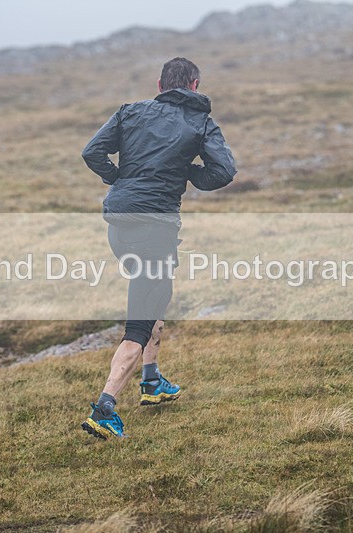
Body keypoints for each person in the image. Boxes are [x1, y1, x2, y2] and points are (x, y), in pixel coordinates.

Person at [80, 57, 237, 439]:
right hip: (155, 228)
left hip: (118, 223)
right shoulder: (201, 123)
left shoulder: (129, 112)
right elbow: (223, 171)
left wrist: (118, 179)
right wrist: (187, 173)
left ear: (160, 84)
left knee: (154, 296)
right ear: (195, 85)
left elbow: (91, 153)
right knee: (139, 322)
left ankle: (151, 380)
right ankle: (104, 409)